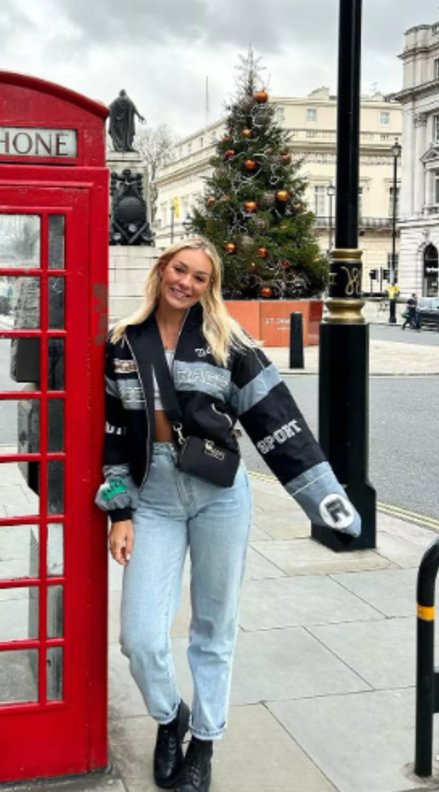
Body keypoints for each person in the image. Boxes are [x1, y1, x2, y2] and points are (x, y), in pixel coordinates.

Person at [96, 237, 361, 792]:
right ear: (161, 270)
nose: (186, 283)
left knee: (214, 628)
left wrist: (325, 497)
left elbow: (277, 422)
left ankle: (205, 743)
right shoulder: (122, 343)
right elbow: (113, 436)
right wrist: (119, 509)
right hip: (155, 499)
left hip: (220, 496)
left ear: (209, 288)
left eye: (199, 277)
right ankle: (172, 719)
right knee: (140, 638)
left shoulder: (228, 341)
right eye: (179, 269)